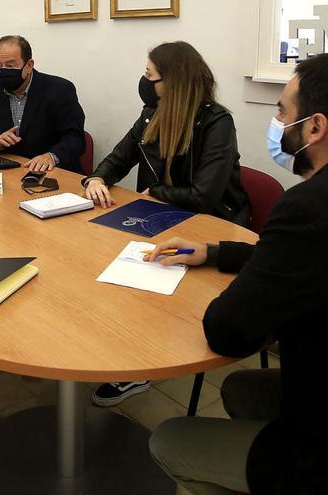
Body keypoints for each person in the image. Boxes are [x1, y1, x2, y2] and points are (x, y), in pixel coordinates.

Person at [147, 52, 328, 494]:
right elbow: (312, 256)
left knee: (170, 438)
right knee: (240, 389)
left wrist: (236, 292)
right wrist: (217, 252)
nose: (276, 122)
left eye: (282, 111)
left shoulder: (314, 206)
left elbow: (226, 332)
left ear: (315, 128)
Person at [86, 41, 250, 407]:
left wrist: (153, 192)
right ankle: (120, 345)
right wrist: (96, 179)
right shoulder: (151, 112)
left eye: (150, 76)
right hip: (159, 214)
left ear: (173, 82)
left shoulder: (217, 122)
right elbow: (119, 156)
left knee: (144, 275)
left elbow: (205, 195)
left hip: (211, 223)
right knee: (97, 256)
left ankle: (141, 364)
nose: (144, 83)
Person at [0, 35, 86, 173]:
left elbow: (75, 138)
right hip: (8, 173)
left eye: (10, 66)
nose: (3, 71)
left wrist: (51, 156)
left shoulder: (59, 90)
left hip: (52, 174)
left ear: (29, 65)